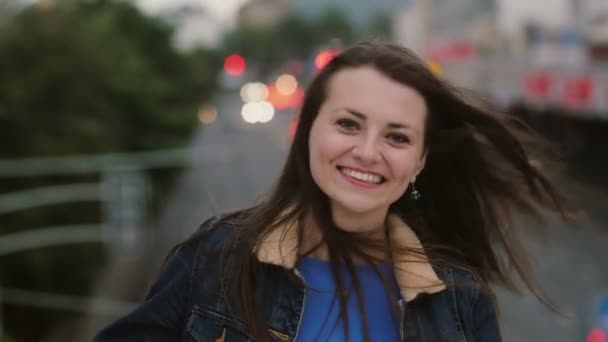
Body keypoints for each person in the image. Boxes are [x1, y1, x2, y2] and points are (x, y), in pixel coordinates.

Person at [94, 41, 572, 342]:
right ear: (307, 132)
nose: (367, 152)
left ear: (420, 161)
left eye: (397, 137)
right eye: (348, 124)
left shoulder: (460, 301)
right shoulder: (215, 259)